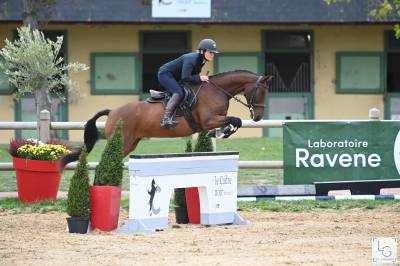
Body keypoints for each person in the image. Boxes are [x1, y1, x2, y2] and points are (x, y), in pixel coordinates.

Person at [158, 38, 219, 128]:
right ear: (202, 52)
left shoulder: (201, 60)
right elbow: (185, 77)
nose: (212, 55)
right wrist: (199, 77)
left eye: (213, 53)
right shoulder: (191, 59)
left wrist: (200, 79)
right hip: (165, 74)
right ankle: (166, 119)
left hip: (176, 77)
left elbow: (193, 76)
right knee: (179, 92)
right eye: (210, 52)